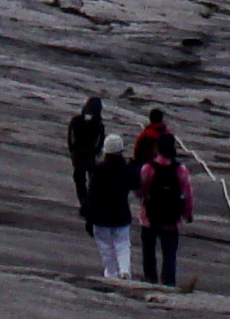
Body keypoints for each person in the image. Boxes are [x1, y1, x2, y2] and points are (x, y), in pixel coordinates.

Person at [137, 133, 193, 288]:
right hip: (172, 219)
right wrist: (188, 214)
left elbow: (141, 190)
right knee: (169, 254)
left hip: (149, 217)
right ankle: (168, 282)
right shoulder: (180, 170)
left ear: (157, 148)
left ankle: (150, 279)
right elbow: (187, 194)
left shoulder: (148, 168)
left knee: (148, 251)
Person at [81, 133, 138, 280]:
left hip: (101, 216)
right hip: (121, 213)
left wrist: (88, 217)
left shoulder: (98, 170)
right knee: (123, 243)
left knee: (105, 246)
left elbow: (92, 195)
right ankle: (125, 270)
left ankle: (111, 273)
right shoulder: (126, 169)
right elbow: (135, 183)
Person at [63, 95, 104, 207]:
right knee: (92, 179)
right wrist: (96, 152)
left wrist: (72, 151)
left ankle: (83, 200)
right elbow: (100, 141)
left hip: (78, 153)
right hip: (90, 155)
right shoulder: (98, 123)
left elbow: (70, 137)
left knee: (79, 178)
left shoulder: (76, 120)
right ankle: (91, 200)